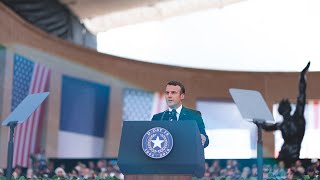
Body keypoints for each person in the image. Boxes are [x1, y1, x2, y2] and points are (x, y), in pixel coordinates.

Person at [262, 62, 310, 167]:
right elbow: (266, 127)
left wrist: (302, 76)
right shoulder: (282, 124)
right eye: (283, 113)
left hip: (294, 155)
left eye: (286, 111)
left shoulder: (298, 116)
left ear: (289, 110)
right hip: (283, 155)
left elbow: (302, 94)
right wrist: (258, 121)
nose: (285, 114)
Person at [151, 80, 209, 147]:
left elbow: (206, 140)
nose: (169, 96)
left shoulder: (194, 115)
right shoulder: (157, 117)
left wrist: (203, 139)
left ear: (182, 96)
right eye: (167, 93)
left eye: (173, 93)